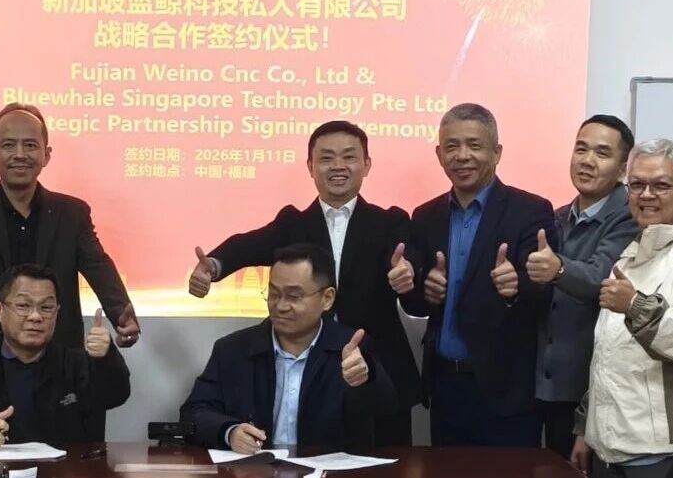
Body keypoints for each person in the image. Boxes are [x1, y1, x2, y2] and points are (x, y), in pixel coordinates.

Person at [188, 120, 420, 446]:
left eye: (349, 157)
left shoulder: (390, 221)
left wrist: (407, 271)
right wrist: (213, 265)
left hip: (377, 370)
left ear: (366, 165)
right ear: (310, 167)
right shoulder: (293, 222)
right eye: (326, 158)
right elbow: (248, 245)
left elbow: (408, 258)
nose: (337, 166)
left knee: (385, 461)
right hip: (311, 370)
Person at [570, 139, 673, 478]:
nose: (646, 195)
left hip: (662, 452)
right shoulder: (634, 249)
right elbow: (609, 351)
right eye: (636, 185)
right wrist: (587, 427)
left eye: (660, 185)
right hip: (611, 445)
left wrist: (635, 305)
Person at [402, 103, 557, 447]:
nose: (462, 156)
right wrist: (422, 290)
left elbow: (545, 295)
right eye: (452, 146)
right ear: (439, 154)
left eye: (474, 145)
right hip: (445, 387)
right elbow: (416, 304)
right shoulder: (425, 215)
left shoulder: (531, 210)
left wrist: (516, 287)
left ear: (496, 152)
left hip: (506, 393)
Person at [0, 102, 140, 353]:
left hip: (57, 357)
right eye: (9, 145)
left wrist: (122, 315)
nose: (20, 154)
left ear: (46, 155)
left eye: (30, 145)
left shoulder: (72, 213)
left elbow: (98, 266)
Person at [181, 243, 394, 454]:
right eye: (274, 294)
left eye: (293, 296)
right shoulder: (233, 350)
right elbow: (194, 413)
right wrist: (230, 432)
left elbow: (385, 413)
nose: (280, 306)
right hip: (255, 468)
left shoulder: (352, 350)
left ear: (327, 299)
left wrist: (365, 379)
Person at [0, 264, 131, 448]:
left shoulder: (75, 364)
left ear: (57, 313)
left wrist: (106, 356)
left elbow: (116, 394)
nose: (36, 316)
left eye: (46, 307)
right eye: (23, 306)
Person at [526, 115, 639, 458]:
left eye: (602, 153)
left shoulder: (632, 217)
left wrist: (558, 269)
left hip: (587, 389)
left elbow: (601, 279)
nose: (587, 161)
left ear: (622, 170)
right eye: (581, 149)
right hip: (541, 383)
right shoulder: (557, 216)